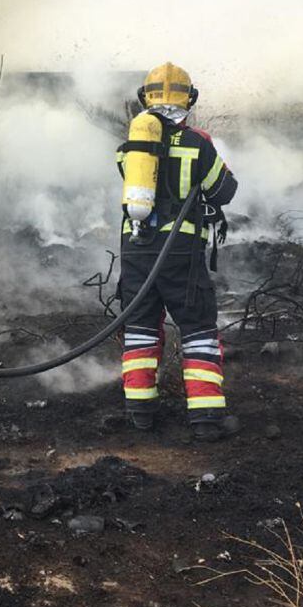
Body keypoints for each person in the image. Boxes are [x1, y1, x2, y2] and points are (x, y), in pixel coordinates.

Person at [115, 62, 238, 442]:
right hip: (180, 253)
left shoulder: (128, 149)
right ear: (191, 99)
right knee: (198, 330)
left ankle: (140, 414)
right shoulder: (199, 144)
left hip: (136, 252)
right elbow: (224, 191)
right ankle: (205, 419)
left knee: (139, 331)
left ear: (144, 99)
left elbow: (134, 182)